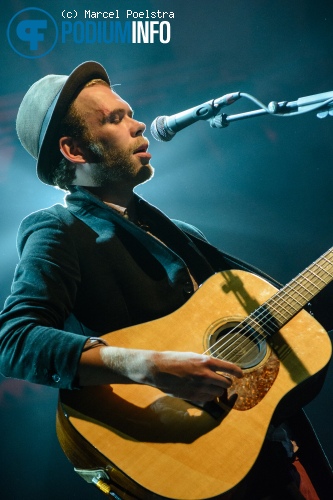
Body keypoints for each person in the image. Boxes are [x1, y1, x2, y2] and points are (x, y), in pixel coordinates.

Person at [0, 61, 331, 499]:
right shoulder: (58, 228)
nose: (139, 125)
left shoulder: (182, 235)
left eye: (129, 112)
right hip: (185, 462)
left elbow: (294, 317)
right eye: (115, 119)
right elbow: (15, 340)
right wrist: (148, 366)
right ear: (74, 150)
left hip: (270, 459)